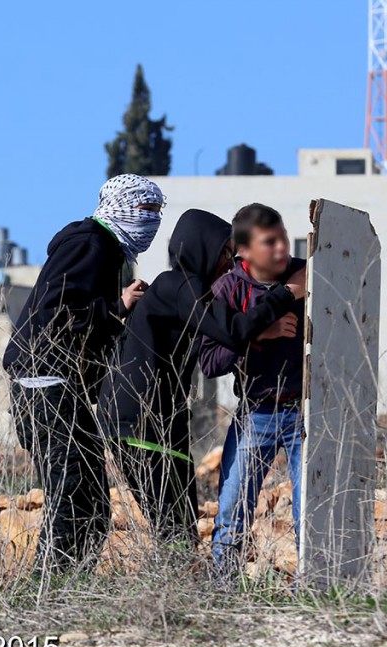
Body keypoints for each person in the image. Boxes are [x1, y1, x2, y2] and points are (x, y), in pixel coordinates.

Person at [100, 209, 300, 548]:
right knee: (175, 530)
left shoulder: (180, 290)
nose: (229, 260)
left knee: (180, 527)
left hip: (163, 422)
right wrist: (287, 294)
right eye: (224, 252)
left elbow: (226, 333)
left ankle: (179, 591)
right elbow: (231, 330)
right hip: (143, 423)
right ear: (204, 249)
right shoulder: (180, 285)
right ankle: (173, 595)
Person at [3, 174, 163, 575]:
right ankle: (51, 587)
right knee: (72, 493)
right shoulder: (91, 243)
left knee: (91, 498)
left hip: (60, 388)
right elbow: (56, 314)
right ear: (120, 206)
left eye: (157, 211)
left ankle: (71, 581)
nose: (152, 219)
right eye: (144, 209)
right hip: (46, 385)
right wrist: (117, 306)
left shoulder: (106, 250)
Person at [199, 203, 307, 584]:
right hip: (255, 414)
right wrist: (258, 333)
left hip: (306, 414)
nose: (281, 248)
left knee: (311, 511)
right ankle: (224, 595)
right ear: (242, 251)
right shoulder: (227, 290)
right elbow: (210, 362)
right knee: (231, 510)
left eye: (282, 237)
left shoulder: (308, 274)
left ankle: (317, 597)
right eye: (269, 242)